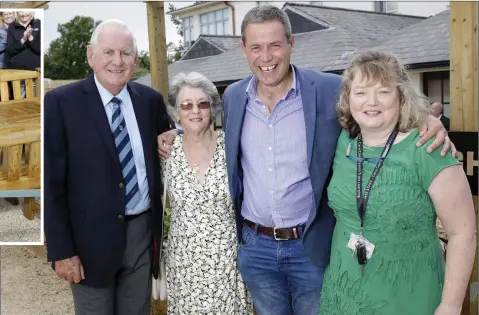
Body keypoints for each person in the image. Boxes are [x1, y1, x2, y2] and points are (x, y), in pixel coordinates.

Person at [157, 6, 455, 315]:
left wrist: (426, 122)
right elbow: (201, 127)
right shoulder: (234, 97)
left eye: (275, 45)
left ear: (290, 43)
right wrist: (172, 132)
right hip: (256, 249)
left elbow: (375, 106)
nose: (266, 56)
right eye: (256, 47)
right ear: (244, 50)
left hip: (309, 245)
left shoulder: (326, 89)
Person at [319, 51, 476, 315]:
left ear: (401, 96)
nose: (371, 102)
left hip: (408, 294)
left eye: (383, 91)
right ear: (348, 99)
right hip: (343, 290)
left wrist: (450, 305)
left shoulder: (429, 149)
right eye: (360, 92)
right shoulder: (342, 142)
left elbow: (463, 234)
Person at [44, 19, 171, 315]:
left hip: (141, 236)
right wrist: (62, 251)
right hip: (89, 242)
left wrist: (175, 134)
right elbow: (51, 183)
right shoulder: (62, 103)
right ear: (91, 55)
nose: (118, 61)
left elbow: (171, 143)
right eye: (108, 52)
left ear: (135, 60)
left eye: (126, 53)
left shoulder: (150, 101)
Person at [161, 71, 253, 314]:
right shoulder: (166, 154)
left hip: (227, 259)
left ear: (212, 109)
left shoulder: (232, 146)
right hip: (184, 262)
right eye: (186, 105)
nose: (195, 111)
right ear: (176, 112)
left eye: (202, 104)